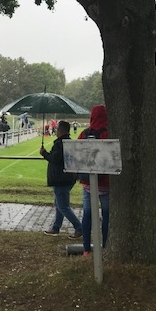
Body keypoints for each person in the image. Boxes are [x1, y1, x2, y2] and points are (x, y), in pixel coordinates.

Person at [40, 120, 82, 239]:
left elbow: (55, 159)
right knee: (59, 204)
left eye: (57, 129)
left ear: (60, 130)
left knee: (63, 206)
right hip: (67, 178)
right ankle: (56, 227)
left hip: (61, 179)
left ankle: (79, 228)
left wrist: (44, 153)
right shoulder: (69, 143)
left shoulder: (60, 144)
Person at [77, 105, 109, 255]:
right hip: (106, 183)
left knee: (87, 215)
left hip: (88, 183)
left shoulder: (84, 134)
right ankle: (106, 246)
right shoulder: (108, 134)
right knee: (107, 216)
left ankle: (86, 248)